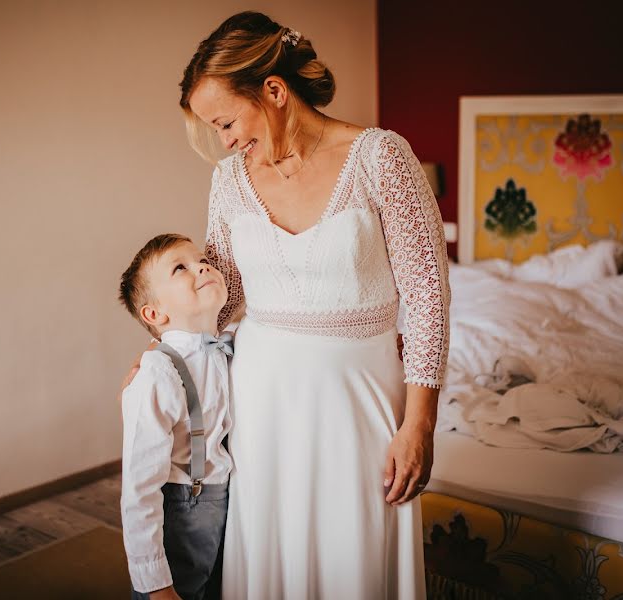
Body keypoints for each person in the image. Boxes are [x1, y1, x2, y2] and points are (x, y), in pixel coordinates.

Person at [171, 11, 450, 598]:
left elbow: (427, 299)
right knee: (275, 557)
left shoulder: (382, 157)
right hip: (263, 402)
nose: (224, 140)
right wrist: (165, 358)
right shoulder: (229, 182)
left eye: (226, 121)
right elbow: (224, 299)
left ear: (273, 90)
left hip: (360, 398)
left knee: (358, 554)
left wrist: (419, 423)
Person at [118, 233, 235, 600]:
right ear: (155, 314)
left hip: (223, 504)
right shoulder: (157, 373)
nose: (202, 266)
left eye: (202, 260)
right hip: (180, 512)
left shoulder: (225, 346)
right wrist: (156, 585)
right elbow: (139, 490)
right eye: (180, 268)